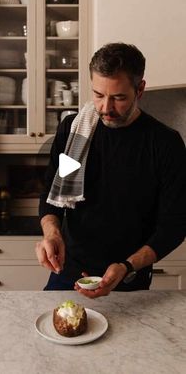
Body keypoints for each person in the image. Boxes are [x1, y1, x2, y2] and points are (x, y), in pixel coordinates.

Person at [36, 42, 186, 298]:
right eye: (98, 94)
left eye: (118, 97)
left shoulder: (165, 144)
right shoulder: (74, 132)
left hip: (128, 276)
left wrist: (127, 266)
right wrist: (51, 234)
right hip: (68, 269)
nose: (105, 108)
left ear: (140, 90)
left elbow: (174, 226)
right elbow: (52, 199)